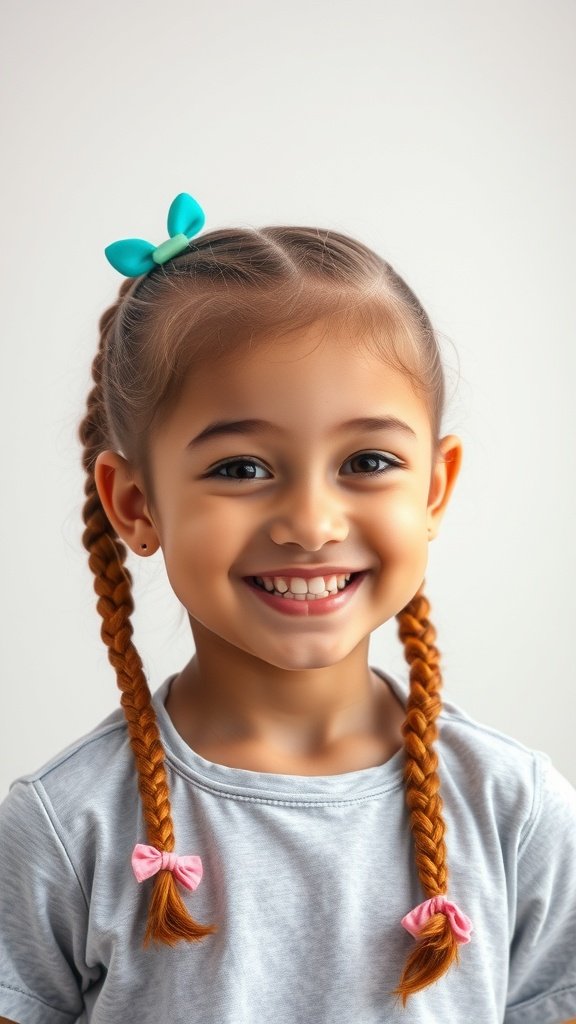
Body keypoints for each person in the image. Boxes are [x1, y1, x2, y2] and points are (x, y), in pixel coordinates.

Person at [0, 192, 575, 1024]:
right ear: (135, 504)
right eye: (240, 468)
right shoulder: (65, 826)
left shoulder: (516, 812)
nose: (311, 523)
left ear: (435, 489)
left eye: (368, 460)